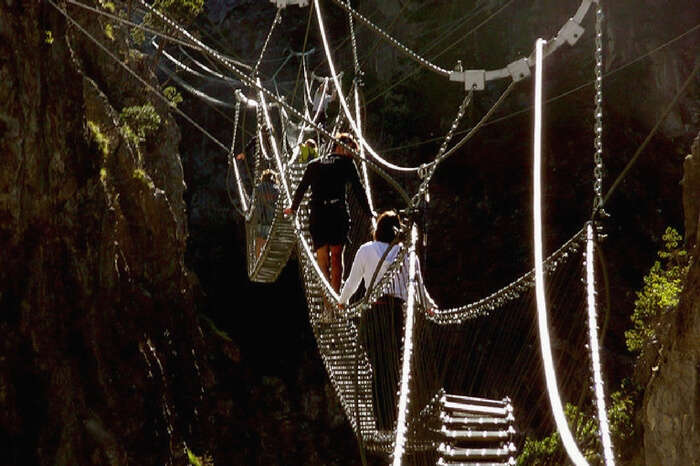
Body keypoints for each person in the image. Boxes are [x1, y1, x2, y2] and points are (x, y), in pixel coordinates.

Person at [338, 210, 435, 430]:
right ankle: (393, 420)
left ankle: (381, 422)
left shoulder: (366, 250)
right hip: (397, 314)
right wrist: (430, 308)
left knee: (377, 365)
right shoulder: (408, 255)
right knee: (393, 367)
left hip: (374, 313)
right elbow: (419, 289)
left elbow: (352, 283)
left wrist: (342, 302)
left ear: (378, 229)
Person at [284, 133, 373, 297]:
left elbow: (302, 187)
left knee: (322, 258)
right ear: (341, 146)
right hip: (337, 211)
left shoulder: (314, 164)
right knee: (337, 257)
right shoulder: (347, 164)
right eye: (350, 149)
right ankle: (336, 298)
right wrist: (369, 213)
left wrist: (293, 208)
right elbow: (358, 189)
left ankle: (328, 301)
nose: (351, 154)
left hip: (317, 213)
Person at [253, 169, 280, 258]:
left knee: (259, 241)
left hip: (261, 219)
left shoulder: (258, 188)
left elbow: (255, 204)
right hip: (272, 221)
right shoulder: (277, 189)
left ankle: (257, 260)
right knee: (269, 244)